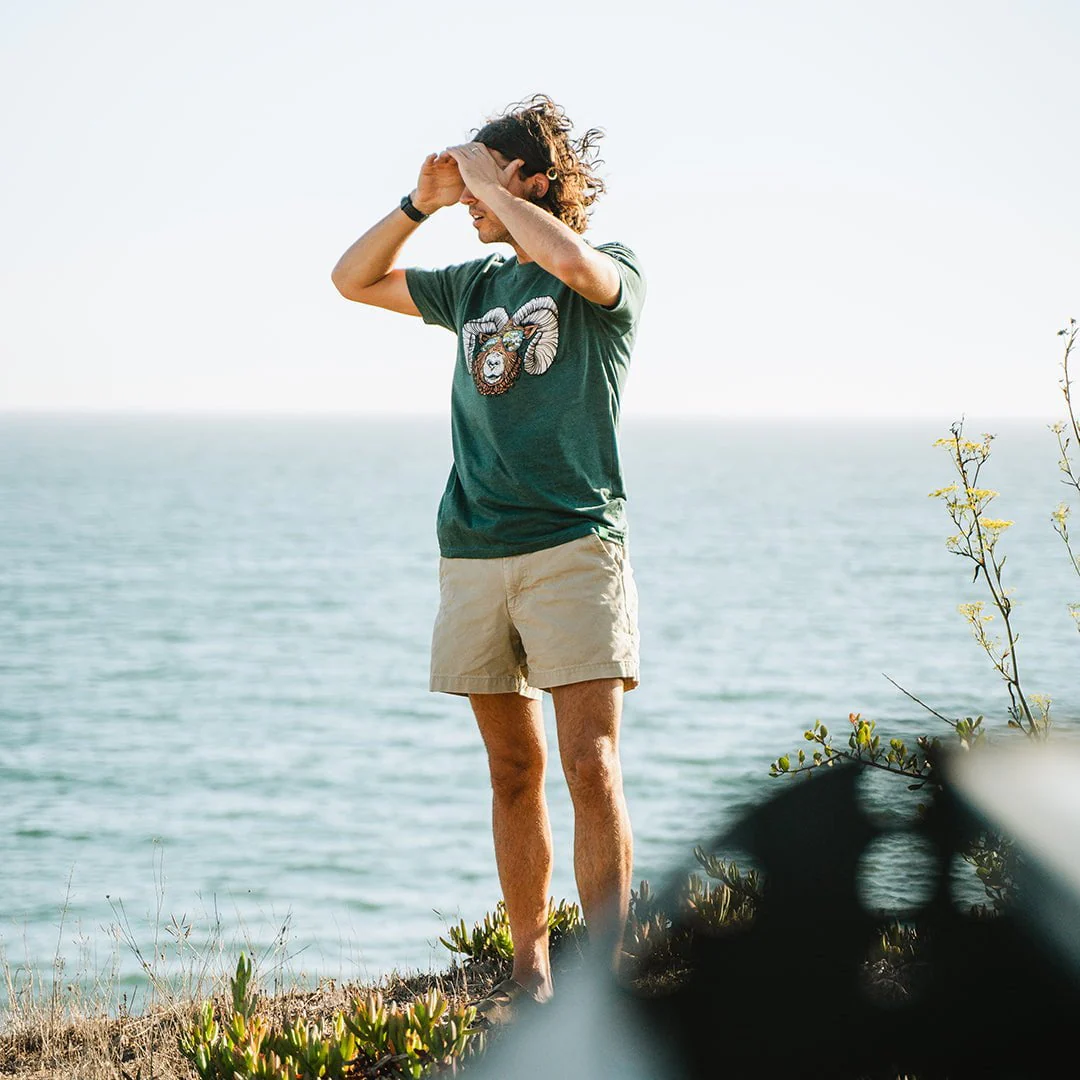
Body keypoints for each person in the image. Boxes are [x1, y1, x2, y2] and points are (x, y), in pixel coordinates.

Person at [331, 94, 646, 1024]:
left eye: (487, 176)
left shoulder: (609, 271)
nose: (472, 198)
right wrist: (419, 203)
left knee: (590, 764)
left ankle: (605, 983)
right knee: (513, 769)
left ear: (533, 181)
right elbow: (352, 279)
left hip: (574, 548)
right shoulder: (473, 287)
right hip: (473, 554)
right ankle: (530, 968)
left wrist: (485, 187)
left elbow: (569, 262)